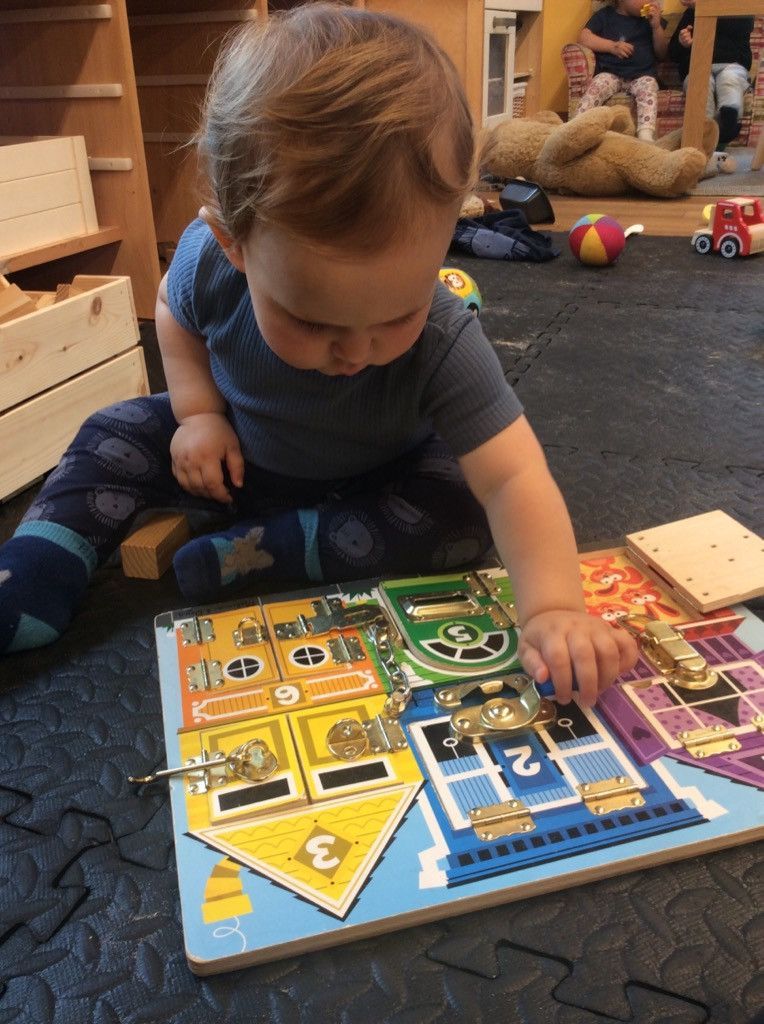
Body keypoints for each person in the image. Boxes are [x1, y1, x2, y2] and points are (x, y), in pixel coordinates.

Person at [0, 4, 637, 704]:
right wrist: (198, 414)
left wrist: (552, 609)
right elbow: (173, 320)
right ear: (233, 245)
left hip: (374, 481)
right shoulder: (204, 264)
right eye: (312, 321)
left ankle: (273, 550)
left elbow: (515, 477)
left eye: (397, 314)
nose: (357, 351)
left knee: (463, 507)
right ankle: (30, 573)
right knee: (110, 431)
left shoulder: (444, 335)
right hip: (236, 456)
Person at [575, 0, 669, 142]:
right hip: (611, 73)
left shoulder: (651, 21)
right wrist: (612, 46)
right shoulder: (604, 16)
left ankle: (645, 134)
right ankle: (576, 126)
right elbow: (584, 38)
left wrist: (656, 27)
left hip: (642, 75)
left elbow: (662, 53)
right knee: (596, 85)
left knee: (649, 86)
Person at [668, 0, 753, 146]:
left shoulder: (738, 11)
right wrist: (683, 43)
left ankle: (729, 119)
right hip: (697, 67)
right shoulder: (689, 15)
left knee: (729, 79)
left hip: (731, 64)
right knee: (701, 84)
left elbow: (742, 27)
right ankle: (705, 133)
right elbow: (673, 53)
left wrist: (706, 9)